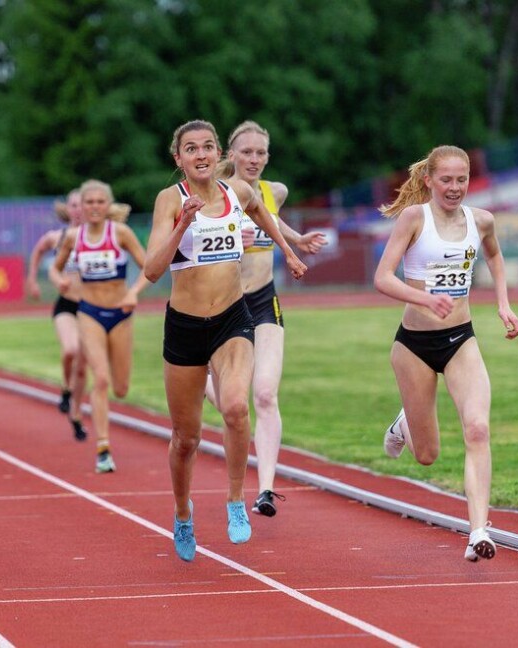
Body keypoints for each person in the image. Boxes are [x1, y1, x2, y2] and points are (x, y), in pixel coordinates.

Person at [143, 120, 307, 562]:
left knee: (236, 407)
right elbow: (152, 270)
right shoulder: (170, 200)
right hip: (185, 325)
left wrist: (288, 252)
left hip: (232, 320)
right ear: (178, 158)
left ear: (219, 153)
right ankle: (182, 513)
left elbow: (262, 213)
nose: (200, 155)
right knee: (186, 438)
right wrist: (183, 224)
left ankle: (236, 500)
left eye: (207, 147)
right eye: (191, 148)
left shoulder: (239, 192)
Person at [373, 145, 518, 562]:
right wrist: (423, 299)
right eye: (446, 180)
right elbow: (382, 277)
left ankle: (478, 532)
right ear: (429, 181)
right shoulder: (414, 218)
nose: (454, 188)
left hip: (461, 340)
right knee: (427, 455)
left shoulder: (482, 220)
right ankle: (405, 421)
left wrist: (503, 304)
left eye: (462, 179)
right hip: (414, 346)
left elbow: (494, 254)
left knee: (477, 429)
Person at [204, 120, 326, 518]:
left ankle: (267, 489)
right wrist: (229, 241)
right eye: (247, 152)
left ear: (268, 156)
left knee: (266, 394)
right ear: (232, 155)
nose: (254, 159)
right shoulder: (217, 193)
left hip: (262, 300)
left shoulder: (276, 191)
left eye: (260, 153)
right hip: (224, 305)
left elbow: (267, 216)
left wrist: (296, 239)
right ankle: (206, 384)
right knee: (232, 402)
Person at [52, 180, 148, 472]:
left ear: (108, 205)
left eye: (99, 201)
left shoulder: (120, 233)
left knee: (120, 388)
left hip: (120, 313)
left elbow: (149, 266)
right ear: (81, 206)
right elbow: (55, 268)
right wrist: (59, 281)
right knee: (101, 379)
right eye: (89, 202)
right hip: (89, 313)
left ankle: (103, 441)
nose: (94, 207)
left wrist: (133, 292)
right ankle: (103, 448)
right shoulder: (73, 237)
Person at [26, 189, 88, 440]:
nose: (77, 209)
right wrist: (32, 280)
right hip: (66, 304)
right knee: (71, 349)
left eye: (81, 204)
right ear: (67, 209)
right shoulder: (57, 237)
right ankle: (65, 386)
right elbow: (37, 251)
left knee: (82, 367)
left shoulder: (99, 236)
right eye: (73, 205)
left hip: (91, 307)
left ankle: (75, 413)